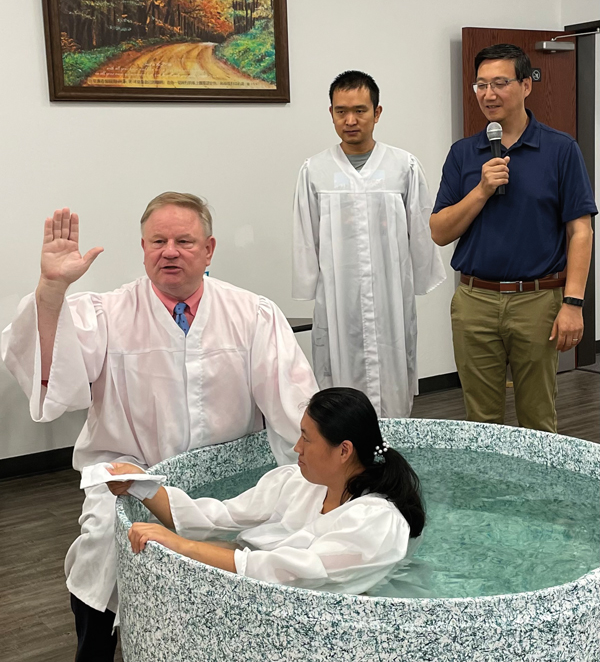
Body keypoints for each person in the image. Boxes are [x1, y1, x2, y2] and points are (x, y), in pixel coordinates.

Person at [1, 192, 318, 661]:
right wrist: (51, 290)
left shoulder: (251, 314)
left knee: (272, 541)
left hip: (226, 475)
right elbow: (53, 378)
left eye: (184, 241)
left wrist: (323, 476)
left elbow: (294, 403)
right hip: (130, 474)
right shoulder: (106, 313)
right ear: (144, 247)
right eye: (158, 240)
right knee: (101, 548)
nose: (170, 250)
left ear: (209, 250)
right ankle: (94, 649)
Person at [107, 387, 425, 594]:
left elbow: (290, 573)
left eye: (307, 439)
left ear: (344, 451)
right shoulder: (298, 482)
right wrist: (140, 484)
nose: (296, 447)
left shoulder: (376, 523)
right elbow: (220, 516)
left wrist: (183, 547)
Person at [430, 44, 596, 432]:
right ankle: (487, 494)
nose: (489, 94)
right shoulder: (463, 153)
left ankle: (542, 495)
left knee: (538, 419)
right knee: (481, 423)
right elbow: (439, 231)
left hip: (538, 301)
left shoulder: (561, 150)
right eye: (480, 85)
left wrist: (573, 302)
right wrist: (481, 190)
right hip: (475, 301)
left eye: (500, 83)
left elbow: (581, 230)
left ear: (526, 85)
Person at [293, 70, 446, 419]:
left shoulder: (402, 167)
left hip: (390, 294)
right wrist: (309, 284)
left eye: (360, 110)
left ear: (377, 113)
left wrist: (420, 277)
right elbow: (305, 235)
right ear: (330, 112)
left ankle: (392, 455)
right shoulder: (315, 171)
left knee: (392, 377)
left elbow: (420, 230)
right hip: (337, 296)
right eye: (341, 111)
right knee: (339, 377)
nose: (350, 120)